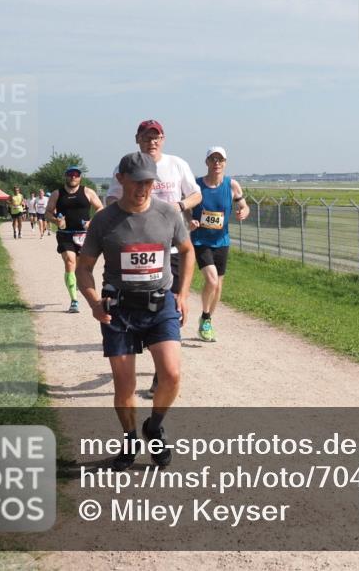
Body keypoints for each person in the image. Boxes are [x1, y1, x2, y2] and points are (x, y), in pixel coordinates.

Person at [76, 152, 193, 470]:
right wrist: (93, 302)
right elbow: (84, 268)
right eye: (137, 181)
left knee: (171, 375)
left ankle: (153, 427)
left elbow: (187, 250)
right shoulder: (104, 220)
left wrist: (182, 294)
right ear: (121, 179)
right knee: (124, 386)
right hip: (120, 311)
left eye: (148, 182)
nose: (143, 188)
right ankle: (128, 442)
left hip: (160, 306)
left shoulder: (168, 214)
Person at [106, 120, 201, 397]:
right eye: (147, 137)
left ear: (163, 139)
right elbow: (112, 199)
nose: (152, 141)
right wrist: (132, 212)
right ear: (137, 138)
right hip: (134, 250)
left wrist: (179, 206)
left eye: (157, 137)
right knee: (137, 304)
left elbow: (195, 194)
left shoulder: (177, 164)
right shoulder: (123, 167)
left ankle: (161, 373)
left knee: (168, 305)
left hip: (169, 249)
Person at [187, 146, 250, 342]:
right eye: (213, 159)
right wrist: (190, 220)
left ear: (225, 163)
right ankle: (205, 316)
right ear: (206, 162)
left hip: (222, 241)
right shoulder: (196, 186)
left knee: (218, 285)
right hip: (200, 240)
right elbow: (185, 208)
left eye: (220, 160)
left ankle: (207, 321)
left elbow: (244, 205)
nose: (216, 163)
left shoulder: (232, 185)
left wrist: (243, 212)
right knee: (212, 280)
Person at [46, 166, 104, 313]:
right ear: (66, 176)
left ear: (80, 177)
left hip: (84, 235)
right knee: (70, 261)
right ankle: (74, 301)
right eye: (70, 174)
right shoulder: (57, 194)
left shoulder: (87, 192)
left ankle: (77, 281)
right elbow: (48, 212)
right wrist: (55, 220)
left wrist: (92, 222)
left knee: (81, 267)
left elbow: (100, 208)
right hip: (65, 234)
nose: (73, 177)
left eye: (76, 175)